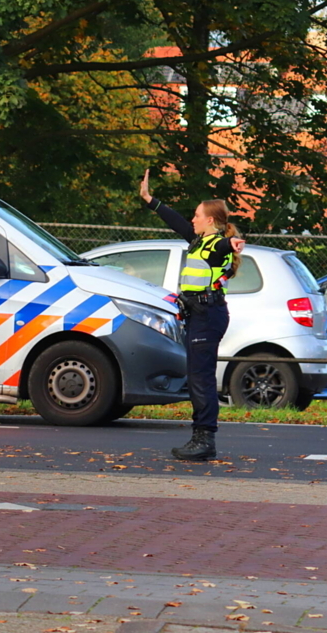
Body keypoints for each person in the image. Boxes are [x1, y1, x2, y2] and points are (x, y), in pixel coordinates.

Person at [139, 169, 246, 461]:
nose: (193, 220)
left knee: (201, 379)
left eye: (198, 215)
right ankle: (201, 436)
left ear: (210, 220)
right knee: (197, 376)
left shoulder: (215, 245)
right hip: (199, 314)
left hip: (208, 314)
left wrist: (233, 244)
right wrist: (150, 199)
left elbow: (226, 245)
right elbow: (174, 219)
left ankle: (204, 439)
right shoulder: (197, 241)